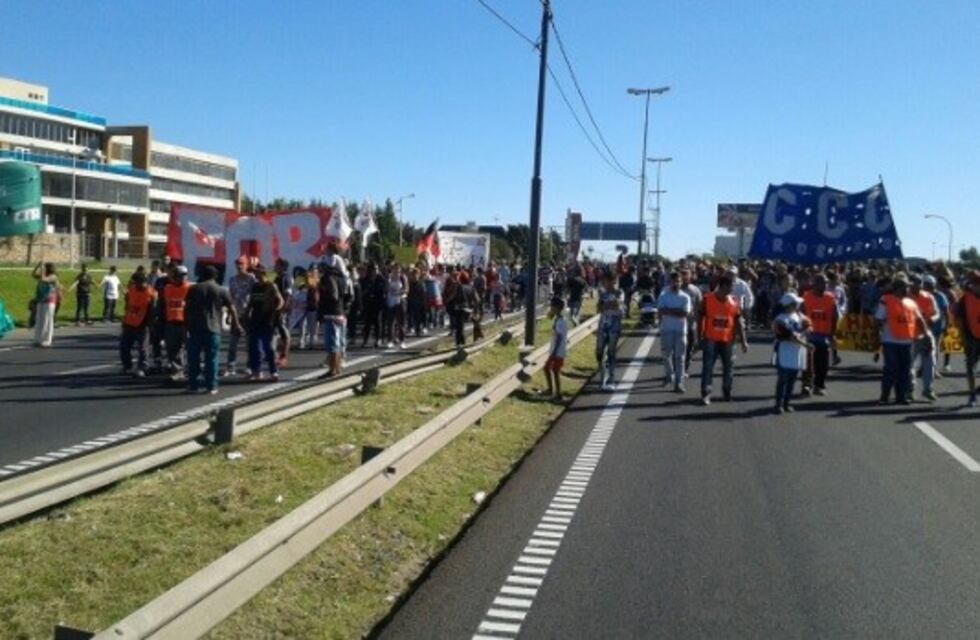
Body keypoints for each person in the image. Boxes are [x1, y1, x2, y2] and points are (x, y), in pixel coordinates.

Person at [184, 264, 240, 394]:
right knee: (212, 358)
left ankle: (193, 385)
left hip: (196, 327)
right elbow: (232, 308)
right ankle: (212, 386)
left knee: (193, 357)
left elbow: (187, 309)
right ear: (216, 276)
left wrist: (185, 327)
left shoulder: (194, 289)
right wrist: (236, 324)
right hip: (214, 328)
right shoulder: (221, 290)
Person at [875, 275, 931, 405]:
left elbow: (919, 320)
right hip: (890, 341)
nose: (908, 289)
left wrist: (926, 335)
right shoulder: (886, 300)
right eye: (906, 287)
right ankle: (885, 396)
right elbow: (878, 319)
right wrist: (880, 332)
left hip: (907, 342)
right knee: (891, 368)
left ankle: (901, 396)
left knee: (904, 370)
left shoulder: (911, 303)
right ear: (898, 288)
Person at [699, 275, 748, 406]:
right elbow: (700, 317)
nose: (732, 289)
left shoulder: (734, 301)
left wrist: (743, 341)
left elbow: (738, 322)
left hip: (727, 340)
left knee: (728, 367)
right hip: (711, 339)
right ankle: (706, 393)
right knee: (708, 367)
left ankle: (727, 390)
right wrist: (700, 336)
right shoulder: (707, 299)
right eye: (731, 286)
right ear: (724, 286)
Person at [773, 293, 812, 414]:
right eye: (795, 303)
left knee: (792, 380)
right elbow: (788, 336)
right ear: (789, 305)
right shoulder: (779, 319)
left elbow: (808, 324)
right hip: (784, 351)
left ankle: (786, 403)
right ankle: (778, 404)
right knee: (783, 379)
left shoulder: (798, 316)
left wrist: (808, 328)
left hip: (796, 352)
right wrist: (805, 344)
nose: (798, 305)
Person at [245, 265, 284, 382]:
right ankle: (256, 371)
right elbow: (251, 302)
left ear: (264, 273)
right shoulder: (255, 286)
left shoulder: (271, 286)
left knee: (269, 348)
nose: (256, 275)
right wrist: (246, 313)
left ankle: (273, 371)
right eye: (255, 273)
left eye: (258, 273)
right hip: (255, 320)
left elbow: (280, 300)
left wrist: (276, 310)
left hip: (268, 320)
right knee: (254, 347)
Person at [801, 274, 838, 396]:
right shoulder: (806, 297)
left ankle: (819, 385)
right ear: (814, 284)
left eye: (825, 283)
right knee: (808, 363)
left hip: (824, 335)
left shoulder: (830, 298)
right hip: (809, 335)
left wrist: (833, 334)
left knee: (823, 364)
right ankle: (806, 384)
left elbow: (835, 317)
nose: (824, 285)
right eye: (821, 283)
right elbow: (800, 314)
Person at [657, 271, 692, 393]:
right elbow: (661, 311)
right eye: (673, 281)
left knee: (680, 357)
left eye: (678, 281)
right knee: (666, 355)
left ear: (681, 282)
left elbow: (684, 313)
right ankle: (669, 373)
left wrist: (669, 311)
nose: (676, 283)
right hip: (666, 329)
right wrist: (676, 311)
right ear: (670, 282)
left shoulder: (685, 297)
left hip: (680, 330)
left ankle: (679, 383)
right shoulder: (663, 295)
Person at [120, 272, 157, 377]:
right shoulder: (131, 290)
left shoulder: (151, 293)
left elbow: (153, 311)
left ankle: (143, 368)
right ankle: (127, 366)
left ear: (144, 282)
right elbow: (127, 306)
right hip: (129, 322)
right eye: (135, 282)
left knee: (143, 348)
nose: (135, 284)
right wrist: (124, 320)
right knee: (124, 346)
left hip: (143, 324)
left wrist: (151, 325)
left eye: (137, 283)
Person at [910, 274, 940, 401]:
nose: (916, 285)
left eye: (919, 283)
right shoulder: (905, 298)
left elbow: (937, 313)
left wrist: (933, 318)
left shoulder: (928, 297)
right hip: (910, 336)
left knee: (930, 363)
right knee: (910, 364)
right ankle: (909, 390)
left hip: (926, 335)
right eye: (914, 283)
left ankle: (928, 389)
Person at [224, 257, 255, 377]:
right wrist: (229, 314)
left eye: (241, 264)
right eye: (237, 264)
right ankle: (230, 366)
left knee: (249, 342)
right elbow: (230, 297)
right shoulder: (232, 279)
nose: (239, 266)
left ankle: (249, 366)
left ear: (246, 265)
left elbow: (254, 296)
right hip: (236, 314)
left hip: (248, 314)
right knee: (233, 342)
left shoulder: (251, 279)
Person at [318, 261, 348, 376]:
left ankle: (332, 369)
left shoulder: (328, 278)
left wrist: (322, 293)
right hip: (340, 312)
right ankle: (337, 368)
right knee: (338, 344)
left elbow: (333, 295)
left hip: (331, 313)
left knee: (332, 345)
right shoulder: (342, 278)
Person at [955, 271, 979, 408]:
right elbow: (958, 318)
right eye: (975, 284)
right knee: (971, 368)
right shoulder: (965, 299)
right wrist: (963, 337)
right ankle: (972, 395)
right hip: (971, 338)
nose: (976, 286)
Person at [596, 272, 624, 391]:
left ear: (613, 281)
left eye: (606, 281)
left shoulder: (619, 292)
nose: (604, 283)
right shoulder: (602, 293)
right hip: (603, 325)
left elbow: (617, 305)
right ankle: (602, 377)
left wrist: (606, 305)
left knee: (611, 352)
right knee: (599, 352)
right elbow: (598, 309)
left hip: (614, 325)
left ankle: (611, 379)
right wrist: (608, 305)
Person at [163, 265, 191, 377]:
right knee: (172, 348)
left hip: (186, 323)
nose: (183, 277)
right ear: (175, 276)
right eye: (181, 275)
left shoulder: (190, 288)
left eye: (185, 275)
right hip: (171, 322)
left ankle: (193, 369)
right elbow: (162, 304)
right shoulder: (167, 288)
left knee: (190, 347)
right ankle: (178, 370)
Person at [31, 262, 60, 347]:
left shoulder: (53, 277)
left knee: (47, 320)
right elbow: (33, 275)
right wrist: (37, 266)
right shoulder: (43, 275)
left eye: (45, 268)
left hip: (49, 300)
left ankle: (47, 340)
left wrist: (42, 270)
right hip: (41, 299)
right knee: (39, 319)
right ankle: (37, 338)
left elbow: (44, 279)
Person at [544, 296, 568, 402]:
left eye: (552, 307)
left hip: (558, 351)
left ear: (557, 308)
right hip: (555, 350)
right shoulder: (558, 319)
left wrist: (554, 352)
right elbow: (549, 317)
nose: (551, 308)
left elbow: (559, 338)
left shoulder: (561, 321)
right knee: (548, 369)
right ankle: (551, 390)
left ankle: (558, 394)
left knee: (555, 371)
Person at [680, 268, 703, 374]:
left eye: (686, 274)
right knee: (678, 348)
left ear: (691, 276)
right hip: (678, 323)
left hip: (690, 324)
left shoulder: (695, 290)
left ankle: (684, 368)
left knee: (689, 347)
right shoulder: (674, 289)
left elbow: (700, 306)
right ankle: (677, 368)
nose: (684, 276)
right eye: (682, 274)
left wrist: (698, 321)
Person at [273, 258, 294, 367]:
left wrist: (282, 311)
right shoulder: (277, 278)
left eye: (277, 265)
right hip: (276, 309)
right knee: (276, 333)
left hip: (283, 310)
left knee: (284, 333)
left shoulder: (286, 278)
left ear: (282, 267)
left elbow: (287, 296)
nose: (275, 267)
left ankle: (283, 357)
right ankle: (275, 355)